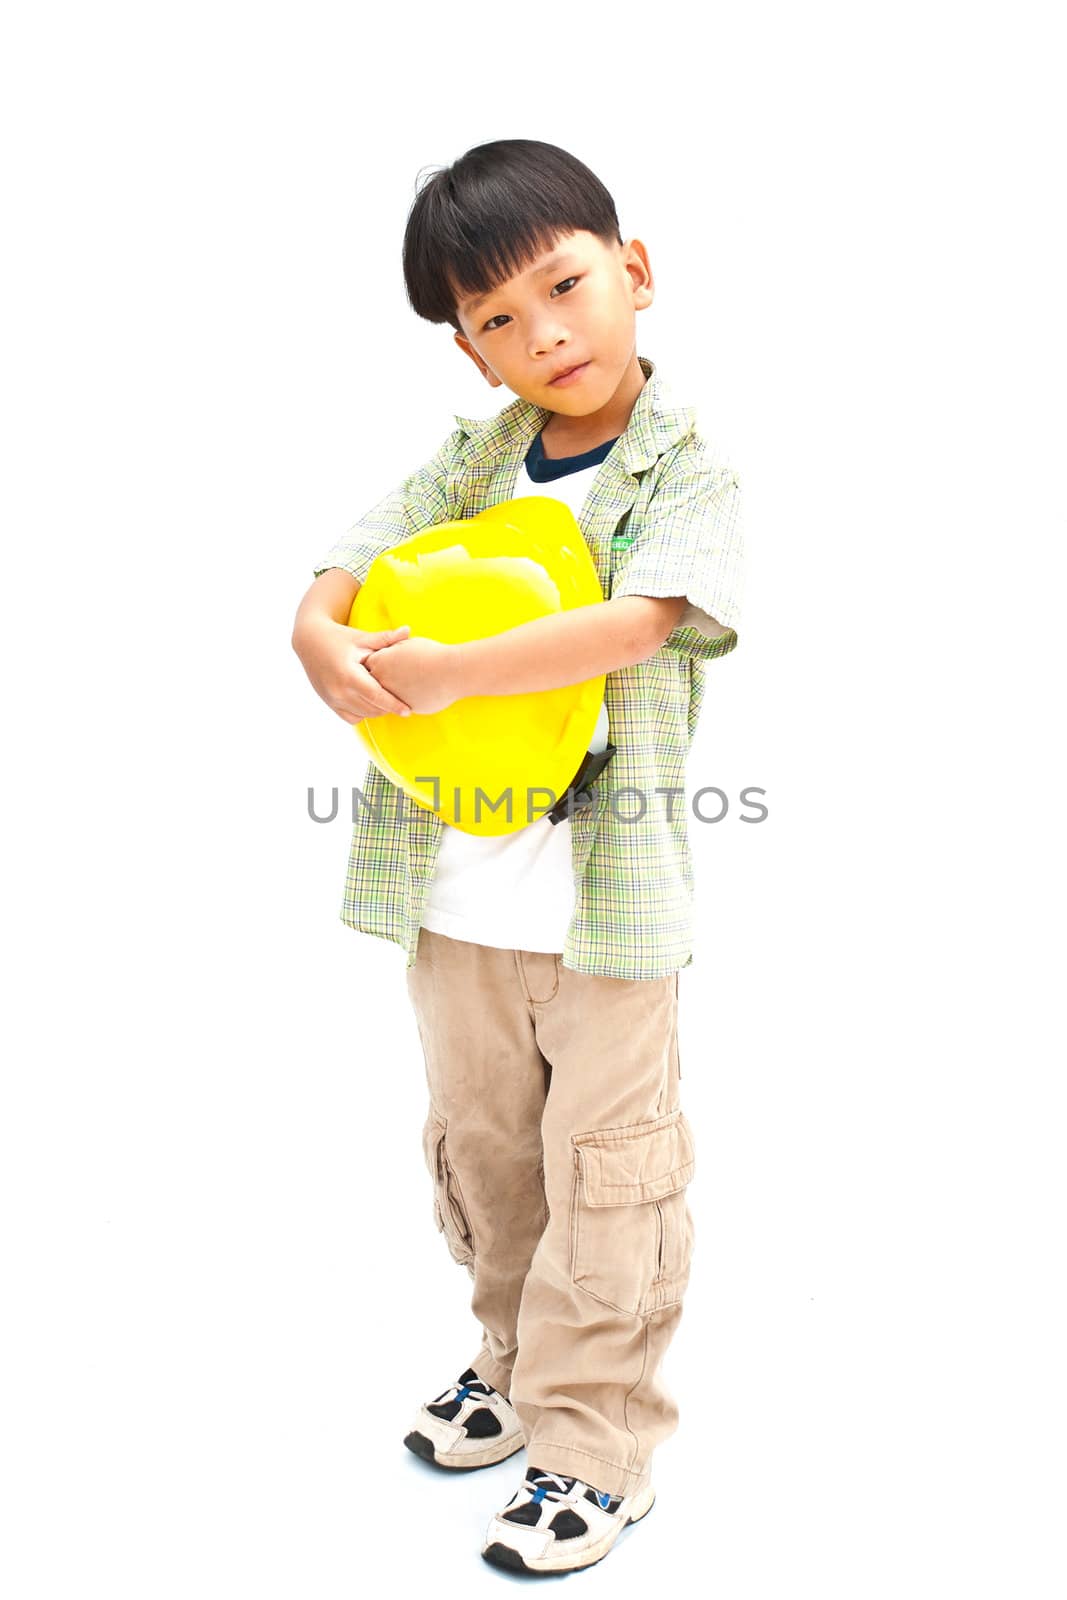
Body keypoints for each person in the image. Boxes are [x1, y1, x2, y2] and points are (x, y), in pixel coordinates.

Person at [291, 138, 744, 1576]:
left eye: (566, 284)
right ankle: (511, 1364)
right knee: (491, 1160)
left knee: (610, 1173)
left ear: (637, 273)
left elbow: (639, 621)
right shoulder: (473, 462)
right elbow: (352, 555)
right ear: (473, 354)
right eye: (496, 318)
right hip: (458, 902)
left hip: (607, 918)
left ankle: (597, 1443)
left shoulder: (691, 469)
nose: (544, 332)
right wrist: (317, 630)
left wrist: (456, 671)